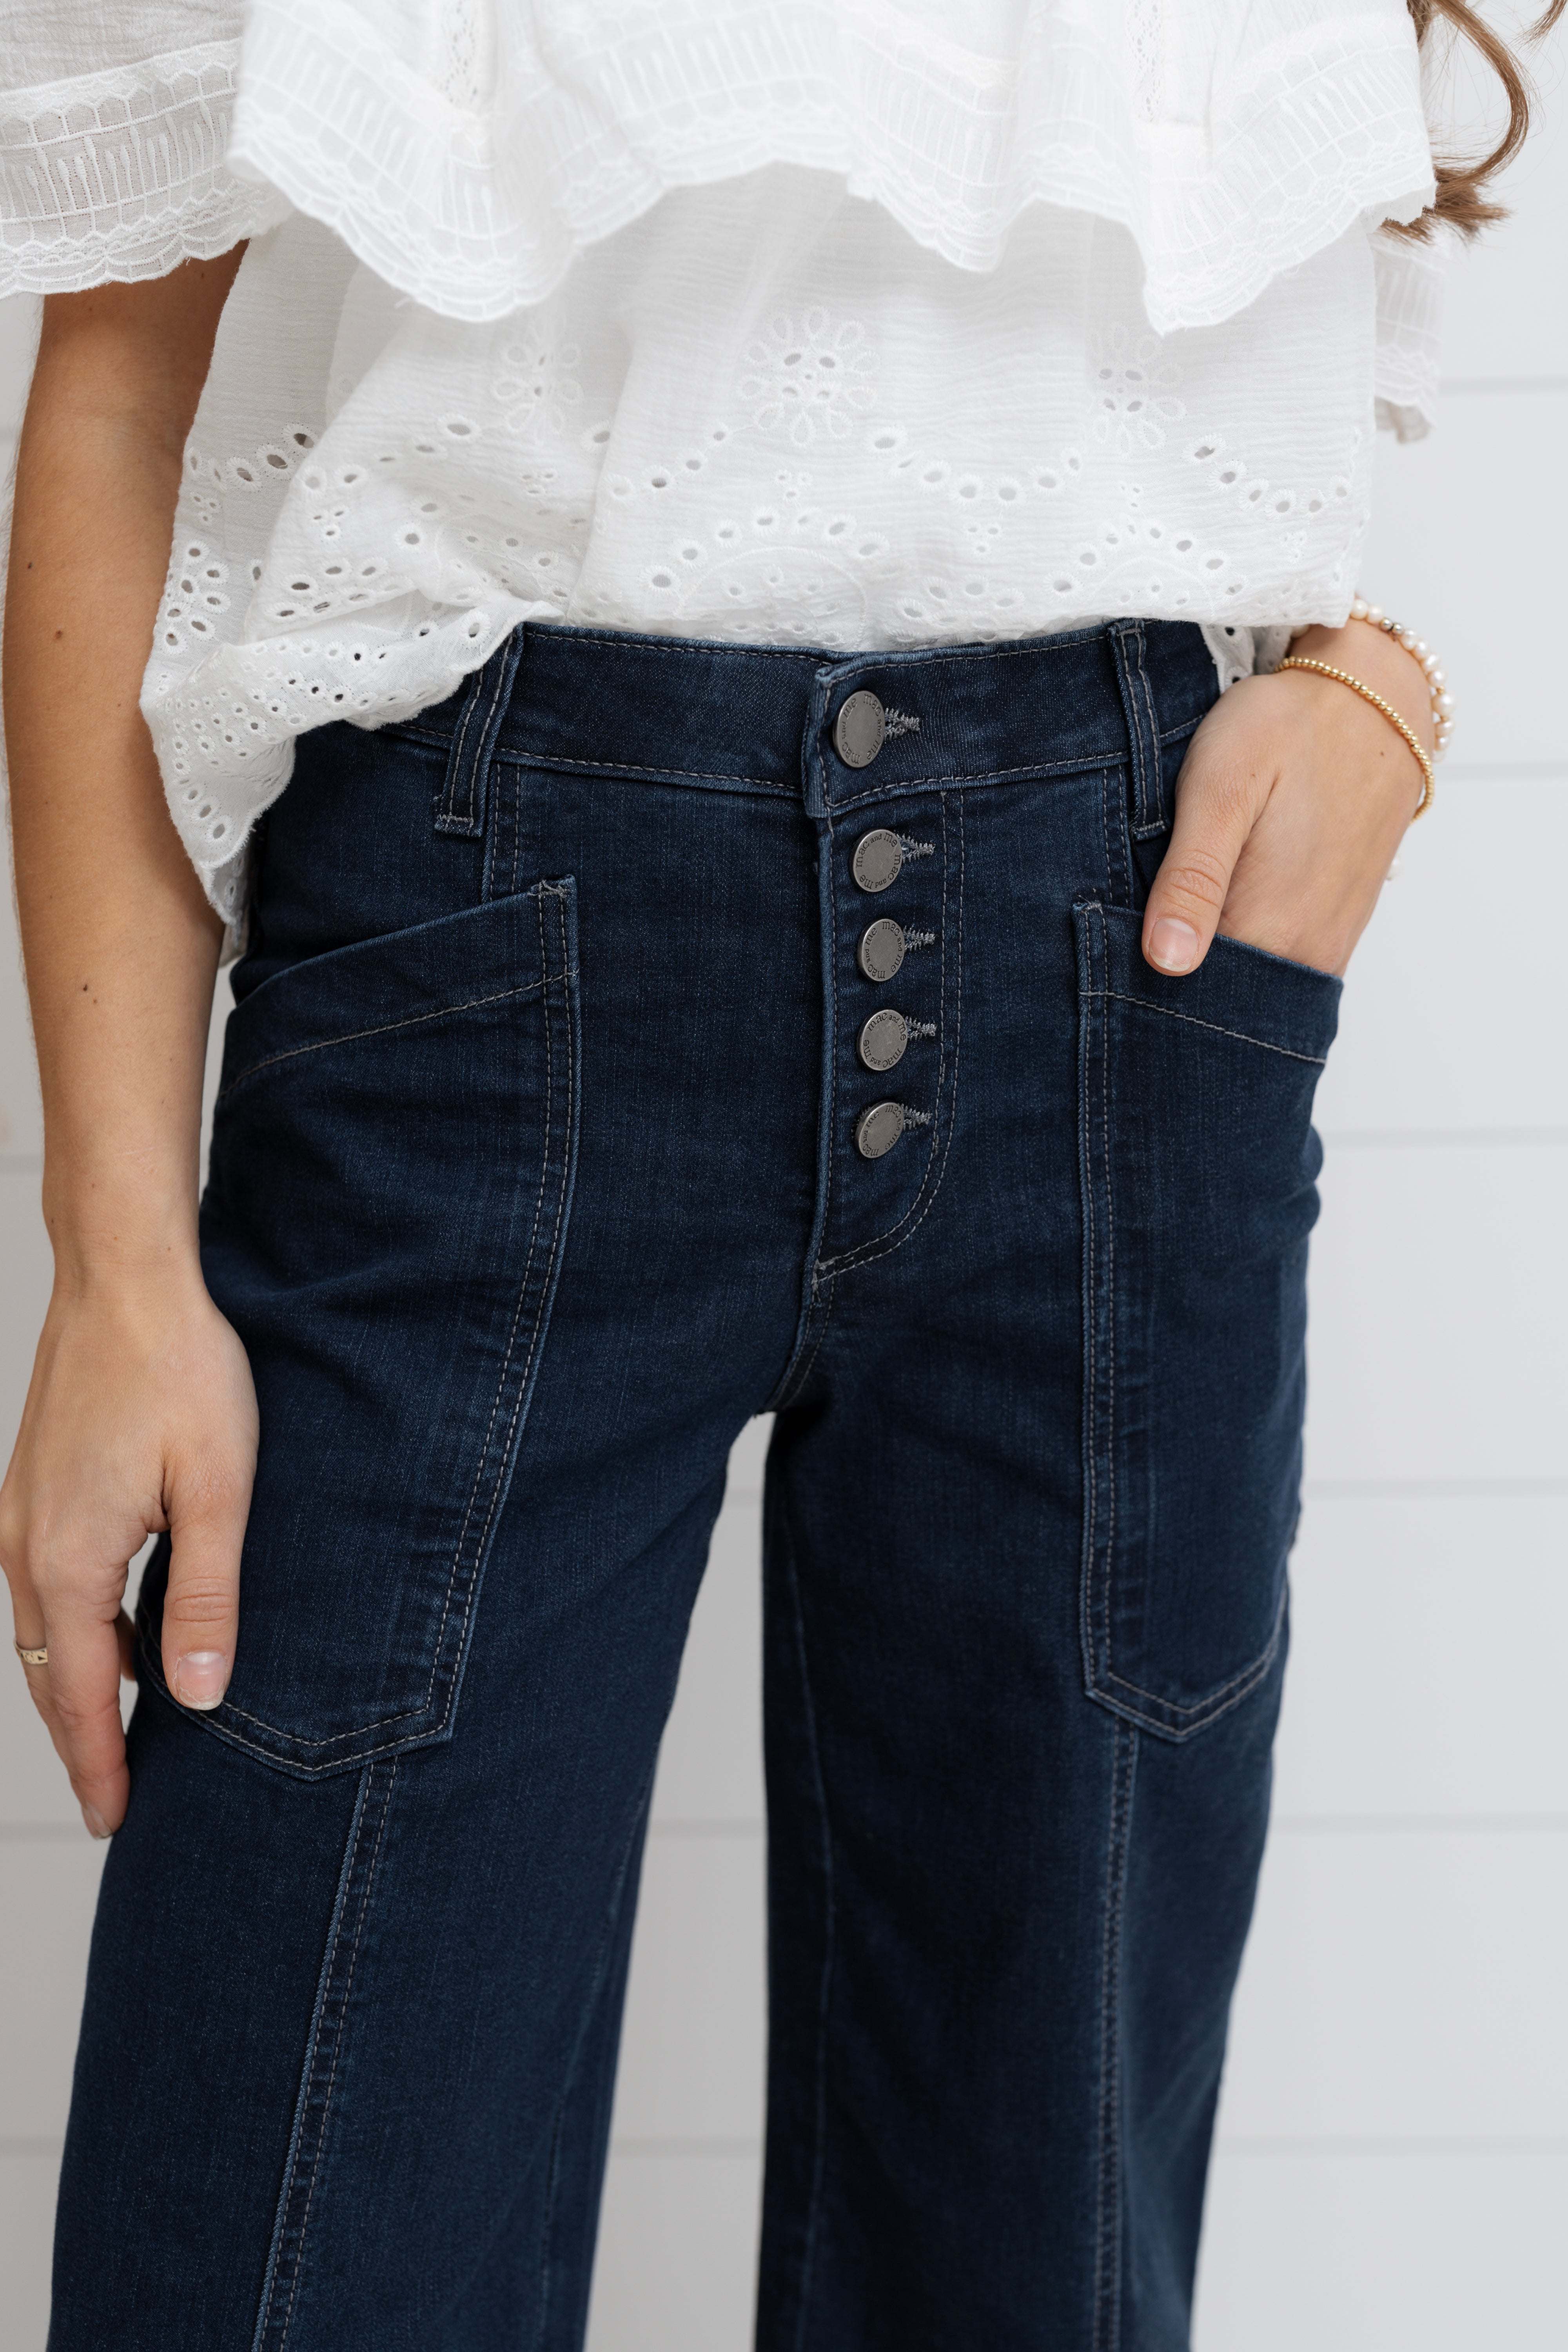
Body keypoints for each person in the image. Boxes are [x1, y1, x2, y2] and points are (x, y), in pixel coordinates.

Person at [0, 4, 1556, 2346]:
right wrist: (116, 1253)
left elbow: (1262, 295)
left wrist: (1378, 690)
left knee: (1030, 2259)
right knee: (286, 2252)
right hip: (483, 973)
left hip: (1130, 963)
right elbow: (123, 374)